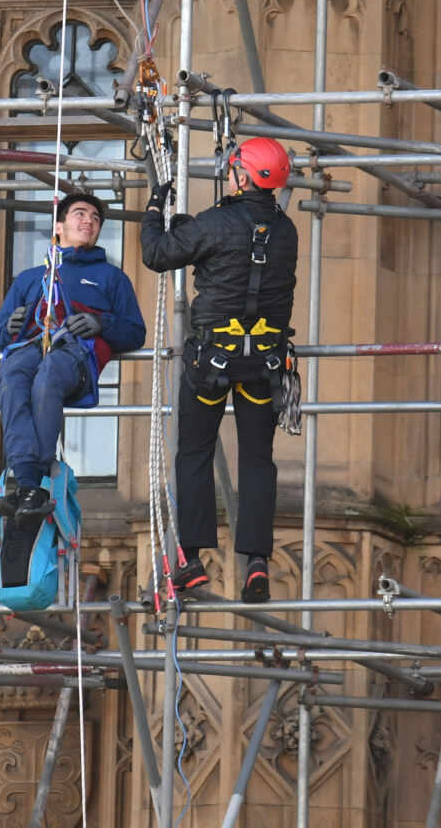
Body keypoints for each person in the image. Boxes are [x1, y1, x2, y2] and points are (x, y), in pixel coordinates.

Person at [141, 137, 299, 604]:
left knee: (194, 452)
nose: (228, 175)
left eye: (233, 170)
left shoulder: (215, 224)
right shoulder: (287, 230)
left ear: (243, 176)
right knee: (256, 460)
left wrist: (155, 207)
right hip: (263, 364)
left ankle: (189, 558)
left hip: (211, 360)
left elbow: (158, 253)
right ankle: (255, 563)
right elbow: (240, 243)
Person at [0, 193, 145, 527]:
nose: (89, 220)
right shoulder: (31, 280)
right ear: (58, 226)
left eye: (95, 217)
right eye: (79, 214)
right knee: (12, 376)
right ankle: (26, 480)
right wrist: (12, 326)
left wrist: (102, 324)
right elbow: (0, 335)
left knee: (48, 374)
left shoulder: (112, 278)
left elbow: (135, 332)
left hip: (77, 355)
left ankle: (39, 475)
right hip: (31, 349)